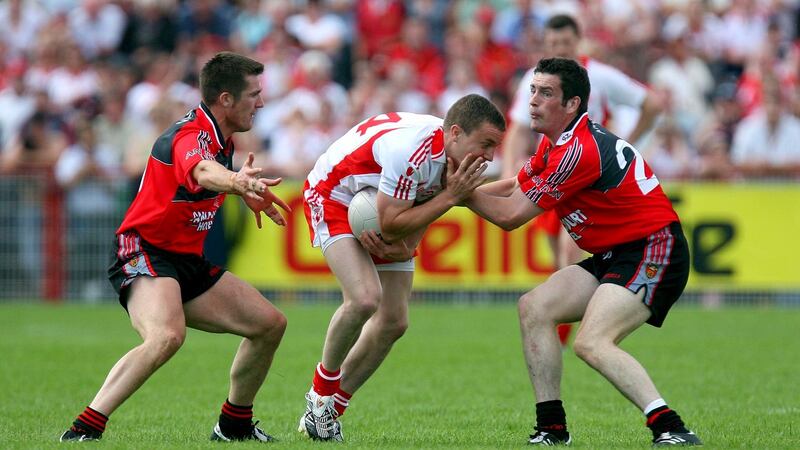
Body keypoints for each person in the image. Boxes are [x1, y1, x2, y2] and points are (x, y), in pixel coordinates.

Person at [466, 58, 701, 447]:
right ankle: (552, 429)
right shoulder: (557, 144)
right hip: (618, 253)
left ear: (572, 104)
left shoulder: (578, 151)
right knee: (534, 308)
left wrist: (456, 194)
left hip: (654, 248)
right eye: (532, 92)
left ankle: (671, 427)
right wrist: (443, 197)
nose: (533, 102)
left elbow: (509, 216)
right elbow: (511, 186)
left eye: (546, 93)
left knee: (591, 341)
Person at [60, 52, 291, 443]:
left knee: (269, 325)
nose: (262, 103)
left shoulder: (224, 138)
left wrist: (239, 191)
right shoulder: (191, 136)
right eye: (254, 94)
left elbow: (200, 182)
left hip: (185, 259)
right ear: (225, 100)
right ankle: (84, 429)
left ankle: (233, 425)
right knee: (167, 335)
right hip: (144, 250)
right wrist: (237, 183)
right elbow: (201, 169)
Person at [299, 94, 506, 441]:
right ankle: (319, 397)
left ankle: (327, 413)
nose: (489, 156)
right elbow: (394, 222)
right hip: (333, 193)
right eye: (485, 144)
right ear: (455, 133)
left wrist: (410, 246)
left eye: (495, 147)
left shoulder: (449, 159)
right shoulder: (412, 152)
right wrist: (450, 198)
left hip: (379, 201)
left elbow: (425, 204)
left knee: (394, 321)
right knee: (364, 299)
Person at [500, 13, 665, 346]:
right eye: (553, 44)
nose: (559, 49)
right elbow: (517, 127)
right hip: (550, 172)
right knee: (557, 258)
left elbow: (651, 102)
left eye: (565, 43)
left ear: (577, 41)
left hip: (585, 181)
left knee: (568, 253)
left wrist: (625, 142)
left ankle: (569, 335)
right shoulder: (536, 80)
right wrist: (508, 173)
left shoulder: (599, 76)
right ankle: (568, 327)